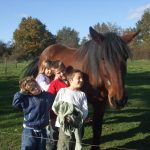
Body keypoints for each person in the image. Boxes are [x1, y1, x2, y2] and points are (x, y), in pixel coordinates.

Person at [12, 76, 55, 150]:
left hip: (42, 129)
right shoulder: (26, 98)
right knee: (28, 147)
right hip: (29, 130)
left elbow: (56, 101)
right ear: (28, 91)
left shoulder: (48, 96)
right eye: (32, 89)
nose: (36, 88)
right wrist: (21, 93)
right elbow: (15, 104)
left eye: (36, 85)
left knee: (41, 148)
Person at [52, 69, 88, 150]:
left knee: (75, 144)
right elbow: (55, 106)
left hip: (77, 125)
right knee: (64, 145)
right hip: (64, 125)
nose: (81, 80)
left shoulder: (82, 94)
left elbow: (85, 110)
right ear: (71, 80)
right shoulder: (63, 91)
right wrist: (63, 116)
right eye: (79, 78)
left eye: (82, 78)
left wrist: (78, 119)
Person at [47, 61, 68, 150]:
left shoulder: (70, 80)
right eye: (58, 72)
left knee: (64, 132)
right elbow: (49, 97)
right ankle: (52, 146)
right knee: (54, 131)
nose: (62, 73)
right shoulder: (54, 83)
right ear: (55, 74)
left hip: (66, 111)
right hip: (55, 112)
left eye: (63, 70)